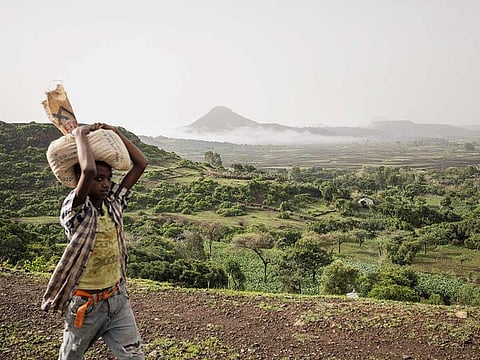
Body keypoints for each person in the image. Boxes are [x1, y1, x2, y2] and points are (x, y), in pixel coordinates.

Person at [41, 123, 148, 359]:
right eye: (99, 178)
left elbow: (141, 164)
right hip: (85, 306)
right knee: (71, 356)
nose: (106, 184)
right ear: (80, 181)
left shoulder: (114, 203)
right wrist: (79, 134)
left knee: (134, 356)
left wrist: (116, 133)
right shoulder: (76, 212)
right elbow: (87, 170)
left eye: (108, 178)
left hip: (117, 298)